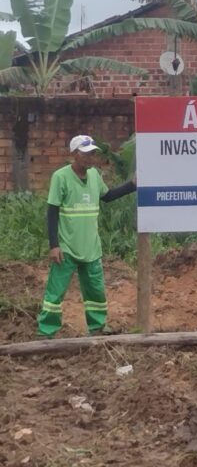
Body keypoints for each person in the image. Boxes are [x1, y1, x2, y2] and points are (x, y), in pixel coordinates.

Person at [36, 135, 136, 338]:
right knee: (55, 293)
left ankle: (97, 327)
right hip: (67, 248)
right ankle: (46, 332)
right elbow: (52, 211)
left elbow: (107, 197)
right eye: (86, 153)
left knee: (96, 292)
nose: (91, 157)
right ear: (74, 154)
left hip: (91, 247)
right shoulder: (61, 177)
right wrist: (54, 245)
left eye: (93, 153)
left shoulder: (95, 176)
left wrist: (132, 184)